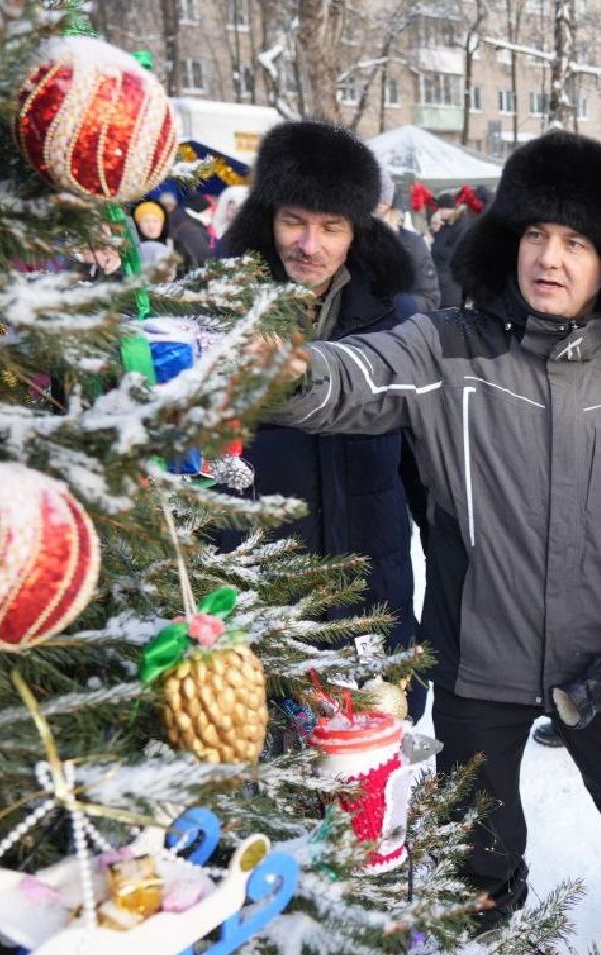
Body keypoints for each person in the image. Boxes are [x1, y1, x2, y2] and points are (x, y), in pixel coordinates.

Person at [267, 130, 601, 949]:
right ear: (508, 242)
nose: (550, 257)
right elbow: (345, 378)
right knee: (478, 840)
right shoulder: (444, 347)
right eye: (535, 235)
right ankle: (482, 938)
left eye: (574, 241)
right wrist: (271, 366)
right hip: (477, 656)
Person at [216, 119, 426, 719]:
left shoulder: (398, 321)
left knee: (374, 777)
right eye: (295, 221)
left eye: (330, 227)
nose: (309, 245)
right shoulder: (220, 317)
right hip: (260, 597)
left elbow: (429, 476)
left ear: (355, 231)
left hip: (372, 593)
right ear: (267, 219)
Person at [377, 166, 441, 311]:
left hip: (396, 327)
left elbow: (430, 299)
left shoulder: (412, 243)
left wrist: (396, 304)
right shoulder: (354, 241)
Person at [429, 192, 466, 308]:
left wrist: (434, 246)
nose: (438, 212)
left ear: (450, 209)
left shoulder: (460, 226)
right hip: (442, 279)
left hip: (451, 282)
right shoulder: (445, 224)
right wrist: (434, 229)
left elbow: (450, 253)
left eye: (441, 208)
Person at [166, 190, 213, 275]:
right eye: (208, 210)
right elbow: (201, 256)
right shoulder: (191, 229)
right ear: (200, 210)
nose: (211, 213)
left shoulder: (186, 221)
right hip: (188, 274)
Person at [132, 201, 172, 271]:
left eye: (155, 221)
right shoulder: (131, 246)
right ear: (139, 225)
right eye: (146, 221)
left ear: (162, 225)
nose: (151, 226)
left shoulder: (176, 245)